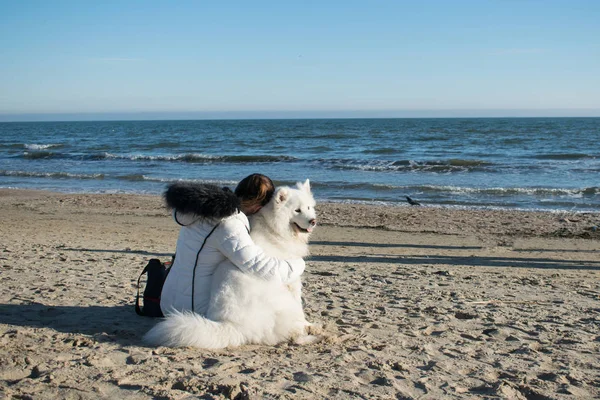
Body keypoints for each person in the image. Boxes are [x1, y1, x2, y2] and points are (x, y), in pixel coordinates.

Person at [159, 173, 305, 316]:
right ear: (257, 207)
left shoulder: (201, 210)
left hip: (168, 302)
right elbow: (262, 268)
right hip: (193, 309)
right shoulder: (229, 223)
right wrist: (298, 263)